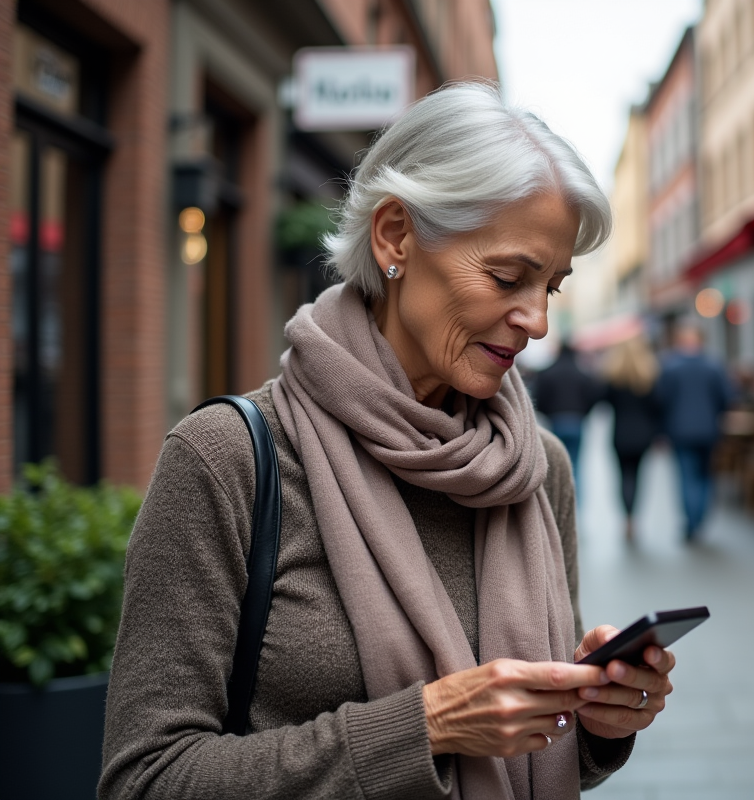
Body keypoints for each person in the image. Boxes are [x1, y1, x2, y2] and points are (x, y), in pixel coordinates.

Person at [100, 84, 678, 800]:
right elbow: (145, 779)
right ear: (396, 236)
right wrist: (424, 728)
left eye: (551, 287)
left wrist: (598, 721)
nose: (536, 322)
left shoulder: (537, 467)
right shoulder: (227, 459)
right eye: (507, 276)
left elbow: (538, 753)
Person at [655, 323, 735, 541]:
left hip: (679, 430)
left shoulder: (670, 366)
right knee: (706, 475)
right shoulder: (714, 365)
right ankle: (700, 519)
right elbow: (728, 398)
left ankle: (691, 522)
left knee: (686, 476)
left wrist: (662, 430)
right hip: (709, 429)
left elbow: (661, 400)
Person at [600, 336, 661, 542]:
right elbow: (657, 406)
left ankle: (627, 518)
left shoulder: (614, 377)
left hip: (620, 434)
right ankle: (634, 516)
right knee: (638, 475)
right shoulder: (649, 377)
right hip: (644, 435)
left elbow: (604, 401)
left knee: (623, 476)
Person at [534, 342, 601, 483]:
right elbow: (593, 396)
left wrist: (547, 414)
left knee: (556, 464)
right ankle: (575, 500)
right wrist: (584, 413)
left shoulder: (547, 373)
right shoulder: (582, 374)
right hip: (577, 421)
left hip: (555, 422)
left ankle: (558, 498)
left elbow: (538, 398)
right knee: (575, 464)